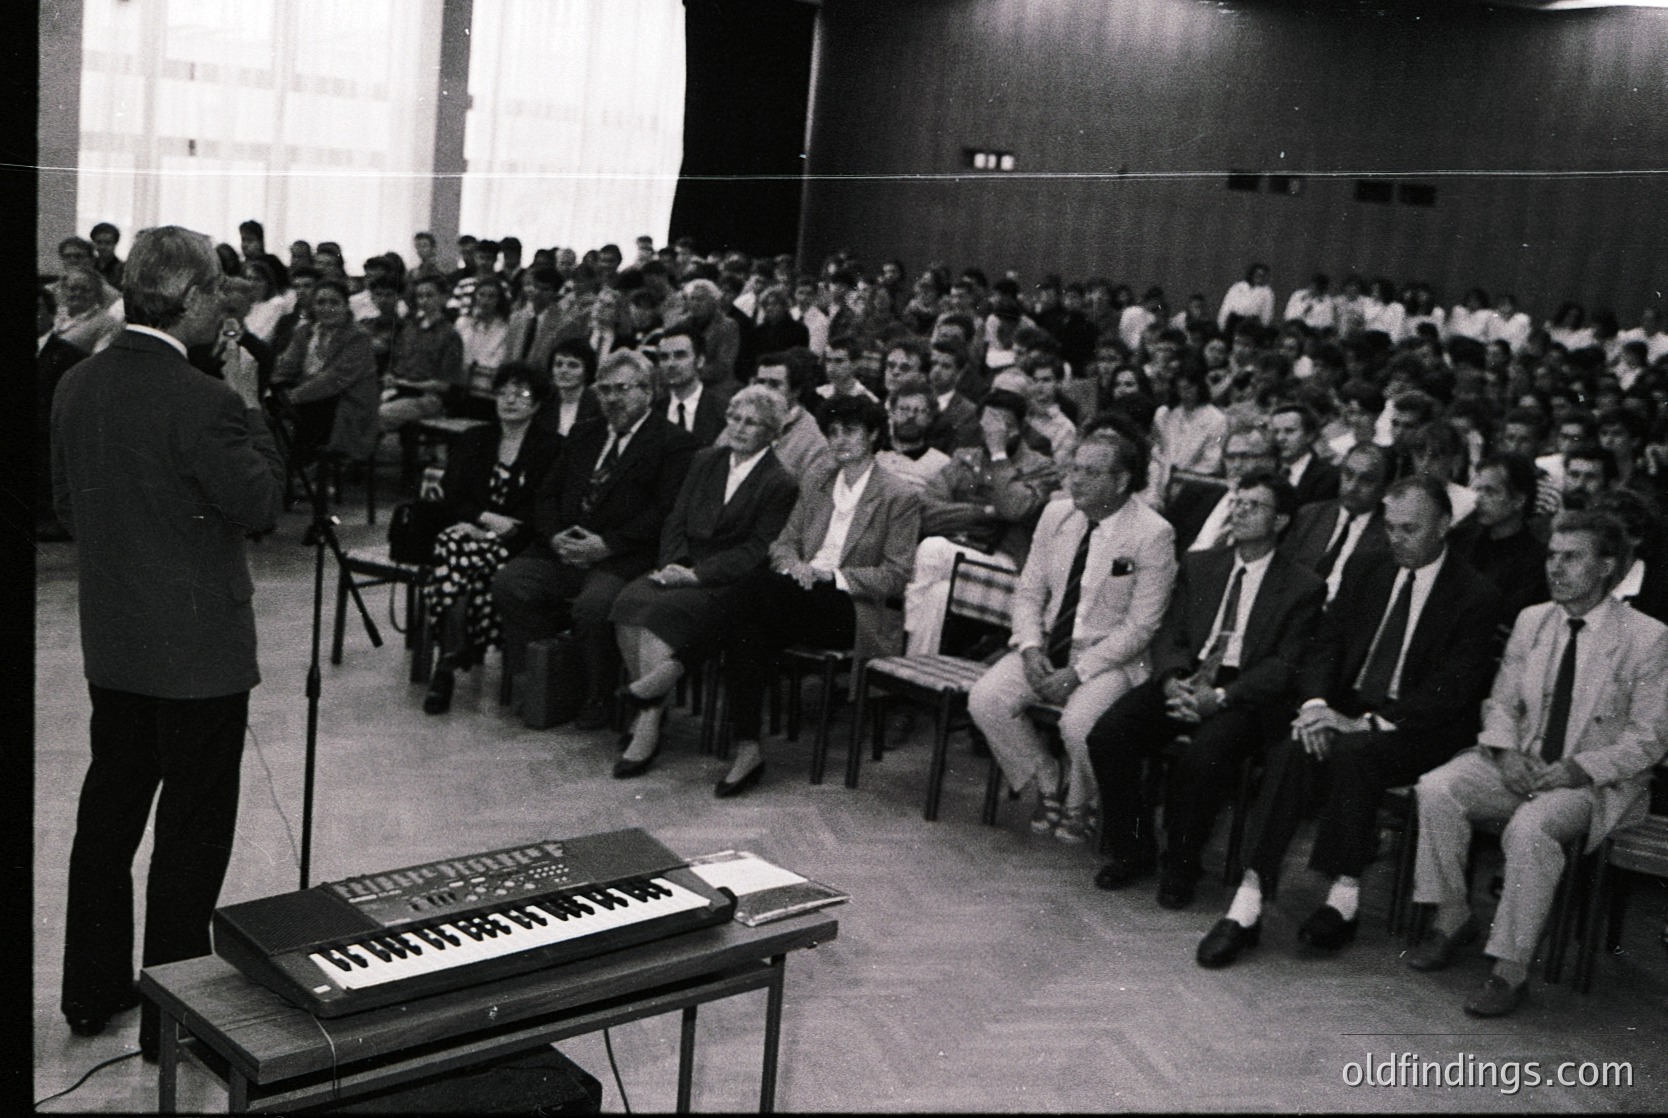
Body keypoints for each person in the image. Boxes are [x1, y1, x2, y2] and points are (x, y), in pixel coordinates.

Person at [52, 225, 285, 1057]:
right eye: (219, 289)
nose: (227, 302)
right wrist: (252, 398)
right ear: (189, 300)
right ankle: (171, 1020)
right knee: (190, 832)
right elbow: (261, 506)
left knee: (109, 815)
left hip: (113, 646)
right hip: (199, 658)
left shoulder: (76, 383)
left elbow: (70, 512)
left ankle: (91, 992)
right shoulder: (209, 399)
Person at [1195, 477, 1505, 969]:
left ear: (1445, 526)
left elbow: (1451, 691)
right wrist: (1318, 705)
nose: (1397, 538)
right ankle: (1247, 903)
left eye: (1410, 529)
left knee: (1355, 752)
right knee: (1292, 748)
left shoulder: (1474, 594)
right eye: (1390, 527)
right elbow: (1326, 643)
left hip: (1417, 727)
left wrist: (1366, 724)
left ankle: (1344, 896)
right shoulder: (1368, 567)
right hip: (1346, 706)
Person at [1407, 511, 1668, 1017]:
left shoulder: (1647, 637)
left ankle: (1509, 969)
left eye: (1572, 557)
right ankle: (1452, 915)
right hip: (1522, 764)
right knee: (1436, 788)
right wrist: (1504, 753)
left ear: (1607, 566)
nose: (1556, 567)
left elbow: (1650, 738)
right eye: (1552, 555)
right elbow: (1501, 703)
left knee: (1531, 829)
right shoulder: (1533, 620)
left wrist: (1578, 769)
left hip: (1592, 781)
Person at [1087, 471, 1325, 907]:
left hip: (1245, 694)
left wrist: (1219, 698)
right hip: (1188, 675)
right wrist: (1175, 678)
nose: (1240, 511)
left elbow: (1283, 665)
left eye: (1255, 506)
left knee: (1203, 755)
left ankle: (1182, 864)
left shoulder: (1302, 586)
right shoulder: (1201, 565)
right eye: (1238, 502)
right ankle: (1134, 848)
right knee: (1109, 734)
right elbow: (1171, 632)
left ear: (1281, 521)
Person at [968, 425, 1178, 845]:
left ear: (1121, 481)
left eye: (1090, 473)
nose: (1075, 481)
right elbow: (1028, 592)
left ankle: (1084, 798)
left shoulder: (1153, 533)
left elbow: (1141, 626)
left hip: (1111, 659)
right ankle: (1049, 778)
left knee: (1081, 725)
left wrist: (1079, 673)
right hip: (1048, 646)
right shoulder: (1055, 514)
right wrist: (1029, 647)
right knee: (986, 699)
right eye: (1073, 469)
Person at [713, 395, 921, 796]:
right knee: (748, 627)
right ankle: (748, 747)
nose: (839, 440)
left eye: (851, 431)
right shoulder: (817, 480)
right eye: (833, 431)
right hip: (796, 594)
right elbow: (784, 542)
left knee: (753, 595)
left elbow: (895, 576)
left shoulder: (899, 495)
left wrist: (830, 575)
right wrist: (797, 568)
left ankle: (679, 664)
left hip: (852, 610)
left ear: (874, 434)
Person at [491, 350, 698, 730]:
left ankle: (598, 694)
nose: (612, 399)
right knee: (510, 582)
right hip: (564, 550)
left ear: (648, 392)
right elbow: (547, 495)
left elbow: (664, 513)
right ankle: (550, 679)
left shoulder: (673, 443)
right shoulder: (585, 433)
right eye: (604, 390)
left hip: (621, 556)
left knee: (593, 605)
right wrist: (556, 538)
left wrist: (606, 545)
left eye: (622, 389)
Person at [608, 386, 800, 778]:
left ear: (772, 432)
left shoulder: (780, 481)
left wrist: (697, 575)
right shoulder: (704, 460)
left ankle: (647, 725)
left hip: (726, 583)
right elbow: (676, 519)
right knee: (628, 602)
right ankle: (652, 708)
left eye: (752, 422)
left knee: (660, 613)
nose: (740, 428)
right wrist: (672, 565)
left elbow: (756, 550)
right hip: (681, 566)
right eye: (734, 418)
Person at [421, 362, 564, 714]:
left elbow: (546, 508)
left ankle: (447, 662)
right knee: (453, 544)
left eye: (522, 394)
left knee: (455, 569)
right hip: (474, 533)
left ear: (538, 403)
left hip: (518, 543)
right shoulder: (474, 439)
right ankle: (454, 654)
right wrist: (483, 521)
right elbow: (452, 497)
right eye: (504, 392)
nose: (511, 400)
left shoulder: (552, 448)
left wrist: (504, 529)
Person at [904, 389, 1057, 654]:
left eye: (1002, 425)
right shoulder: (966, 457)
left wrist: (999, 455)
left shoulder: (1040, 466)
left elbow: (1013, 509)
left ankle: (906, 634)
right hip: (961, 550)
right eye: (989, 423)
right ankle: (915, 668)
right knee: (938, 595)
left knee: (931, 550)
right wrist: (985, 512)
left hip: (1007, 562)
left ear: (1018, 428)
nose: (992, 431)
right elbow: (926, 512)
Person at [270, 277, 380, 473]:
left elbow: (335, 379)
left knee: (306, 412)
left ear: (346, 306)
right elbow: (285, 366)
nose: (326, 308)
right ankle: (281, 471)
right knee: (268, 409)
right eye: (321, 302)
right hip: (309, 398)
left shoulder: (358, 337)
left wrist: (293, 397)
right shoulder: (305, 332)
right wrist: (276, 387)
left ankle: (297, 473)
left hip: (346, 404)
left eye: (334, 302)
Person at [873, 374, 951, 492]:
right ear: (891, 412)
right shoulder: (874, 458)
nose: (910, 416)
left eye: (920, 411)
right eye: (904, 409)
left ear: (930, 418)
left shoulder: (942, 465)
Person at [658, 324, 732, 446]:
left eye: (680, 355)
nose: (670, 364)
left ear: (700, 361)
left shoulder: (723, 413)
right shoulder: (654, 412)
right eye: (664, 357)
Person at [1269, 403, 1339, 507]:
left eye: (1289, 431)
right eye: (1275, 432)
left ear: (1309, 435)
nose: (1280, 438)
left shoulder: (1329, 477)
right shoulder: (1268, 474)